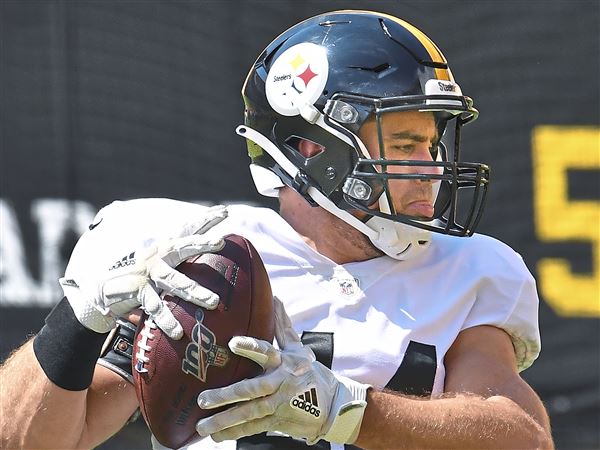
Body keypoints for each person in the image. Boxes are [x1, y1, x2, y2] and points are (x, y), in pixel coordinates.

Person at [0, 10, 553, 450]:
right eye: (406, 145)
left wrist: (343, 410)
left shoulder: (470, 267)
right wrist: (77, 321)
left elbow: (522, 439)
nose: (431, 167)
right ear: (315, 150)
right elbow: (33, 441)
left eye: (431, 145)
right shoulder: (208, 256)